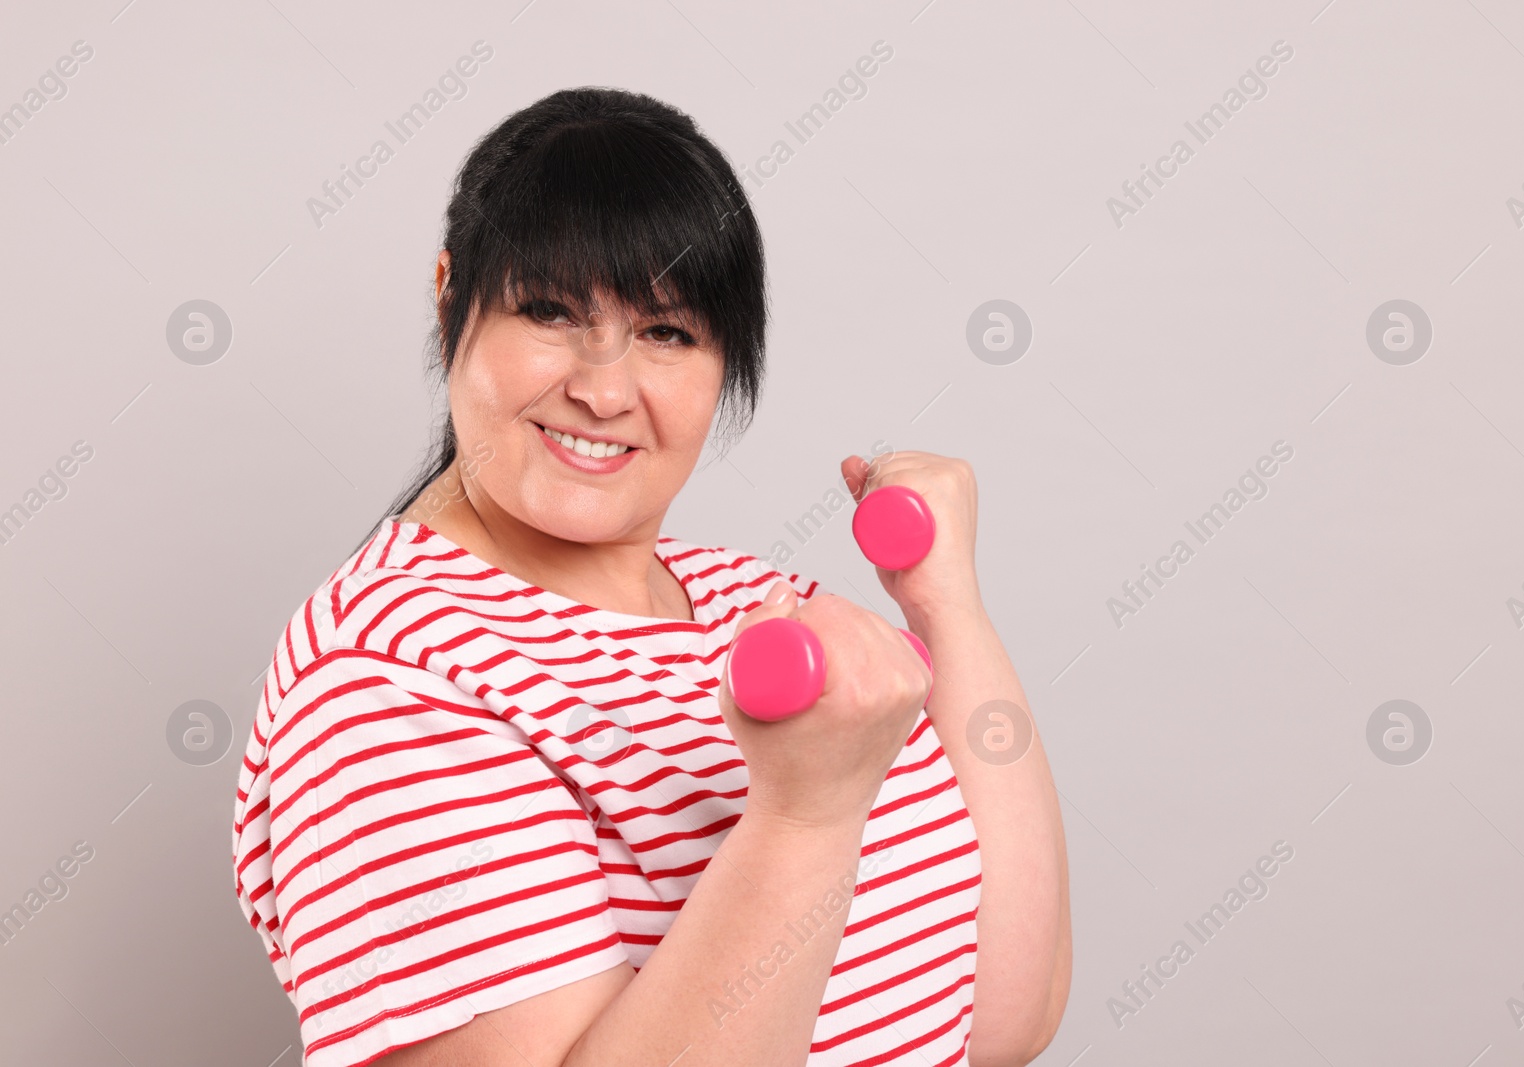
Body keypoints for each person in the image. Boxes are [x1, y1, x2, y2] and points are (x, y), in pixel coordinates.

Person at [231, 86, 1070, 1067]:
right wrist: (807, 813)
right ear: (450, 290)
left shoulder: (747, 602)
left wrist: (945, 604)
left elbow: (1006, 1016)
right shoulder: (386, 686)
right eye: (548, 310)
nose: (602, 387)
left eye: (668, 332)